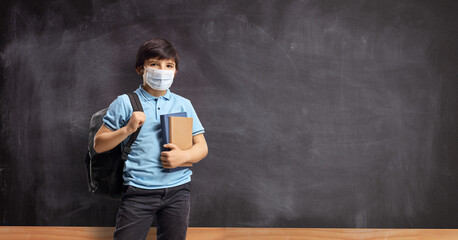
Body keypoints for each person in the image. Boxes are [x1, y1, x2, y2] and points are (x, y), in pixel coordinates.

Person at [93, 38, 208, 240]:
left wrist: (184, 156)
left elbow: (202, 147)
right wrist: (127, 129)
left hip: (178, 191)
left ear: (175, 71)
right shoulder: (125, 103)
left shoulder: (183, 105)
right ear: (140, 69)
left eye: (169, 65)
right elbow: (99, 144)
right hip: (138, 192)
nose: (162, 70)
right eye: (154, 64)